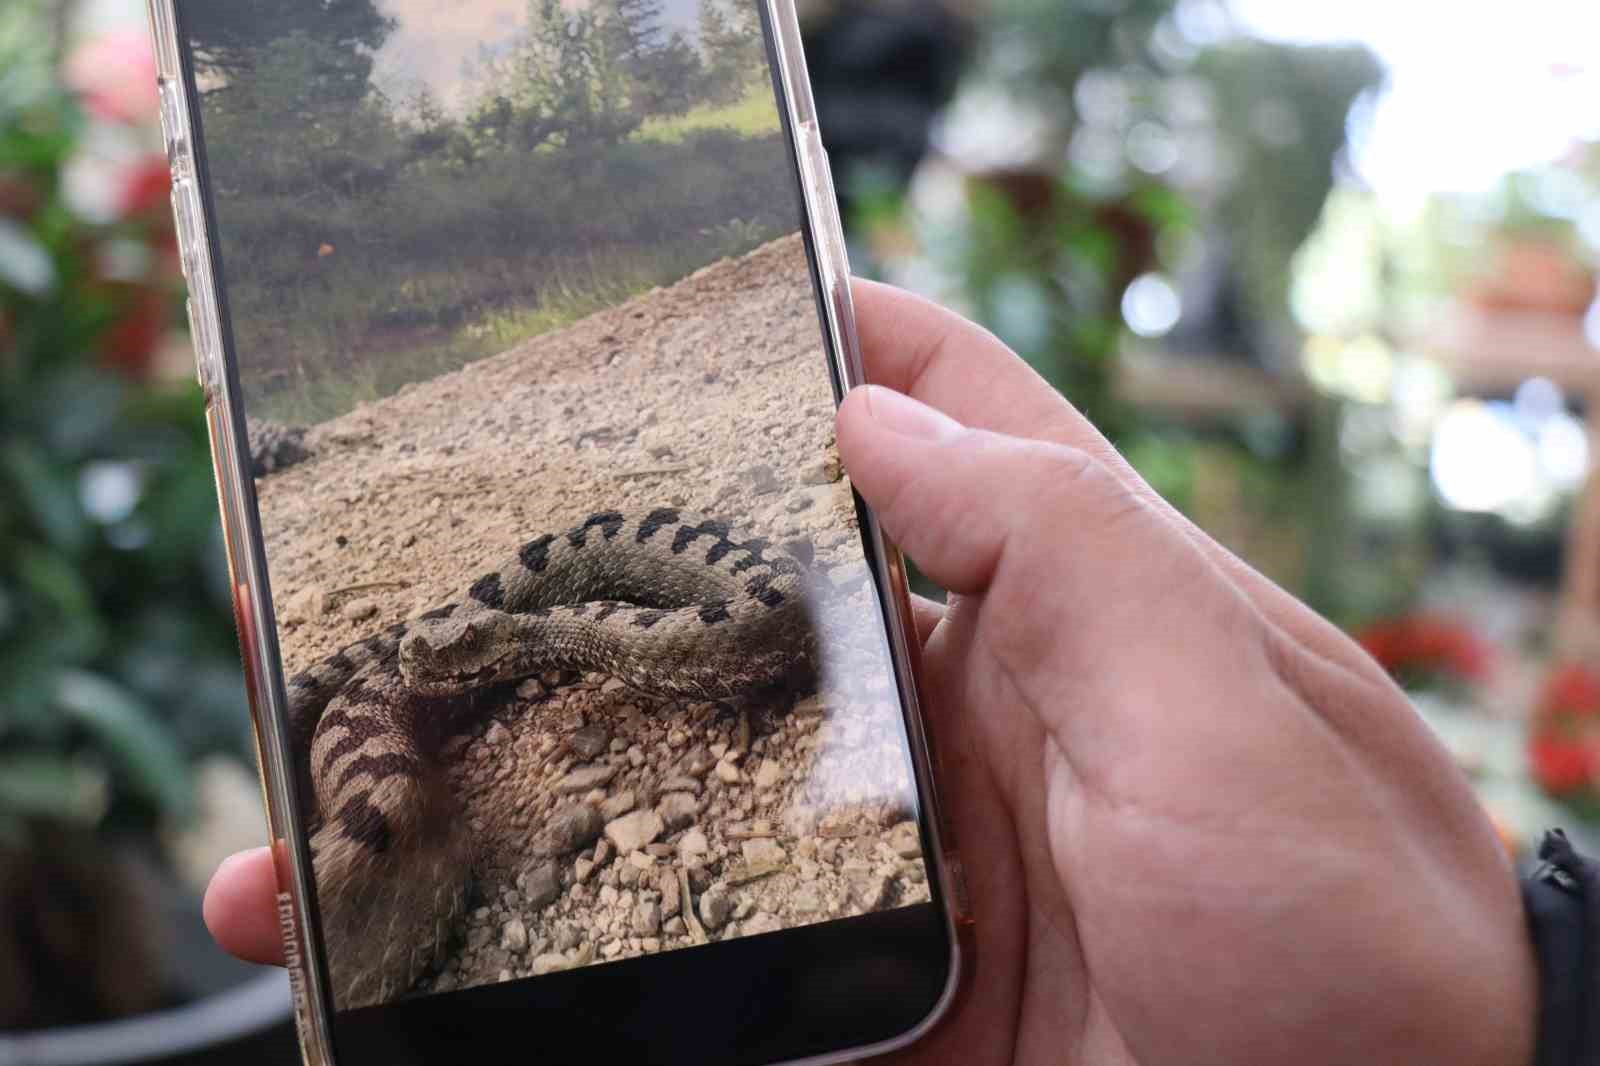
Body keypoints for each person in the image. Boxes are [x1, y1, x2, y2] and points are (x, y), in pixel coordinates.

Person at [205, 279, 1573, 1065]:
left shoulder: (642, 622)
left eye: (460, 642)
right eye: (443, 646)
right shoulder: (495, 639)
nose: (450, 643)